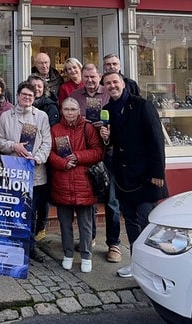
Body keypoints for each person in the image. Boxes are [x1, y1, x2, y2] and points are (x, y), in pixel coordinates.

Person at [100, 71, 167, 278]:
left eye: (115, 82)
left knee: (147, 221)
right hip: (123, 177)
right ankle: (136, 264)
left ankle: (155, 268)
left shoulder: (141, 105)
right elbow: (112, 145)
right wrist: (106, 138)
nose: (112, 86)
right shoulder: (107, 110)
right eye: (108, 84)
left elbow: (157, 140)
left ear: (123, 83)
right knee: (129, 221)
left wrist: (158, 172)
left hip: (146, 175)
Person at [69, 64, 121, 263]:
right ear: (82, 77)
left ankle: (114, 244)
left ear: (99, 77)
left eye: (93, 76)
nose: (90, 80)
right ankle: (88, 238)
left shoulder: (108, 93)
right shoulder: (75, 94)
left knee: (111, 201)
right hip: (86, 153)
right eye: (86, 77)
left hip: (108, 154)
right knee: (88, 199)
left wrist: (106, 128)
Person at [0, 81, 51, 263]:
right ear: (18, 95)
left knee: (31, 212)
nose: (27, 98)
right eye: (24, 94)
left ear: (35, 98)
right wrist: (14, 146)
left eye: (31, 95)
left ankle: (30, 247)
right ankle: (13, 247)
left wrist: (38, 158)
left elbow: (47, 142)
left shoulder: (41, 116)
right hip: (13, 173)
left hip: (35, 172)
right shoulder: (6, 116)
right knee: (14, 212)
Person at [48, 97, 104, 273]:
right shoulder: (56, 129)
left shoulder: (87, 128)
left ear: (79, 110)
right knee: (65, 223)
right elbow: (49, 153)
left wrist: (78, 157)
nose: (70, 113)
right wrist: (63, 163)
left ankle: (86, 255)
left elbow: (97, 152)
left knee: (85, 224)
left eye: (73, 109)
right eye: (66, 109)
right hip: (62, 182)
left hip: (84, 182)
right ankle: (68, 254)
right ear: (62, 110)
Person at [25, 74, 59, 242]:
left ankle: (40, 227)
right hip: (24, 160)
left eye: (40, 86)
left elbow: (50, 136)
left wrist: (39, 155)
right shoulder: (22, 106)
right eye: (34, 86)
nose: (37, 89)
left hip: (43, 159)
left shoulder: (50, 107)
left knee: (42, 197)